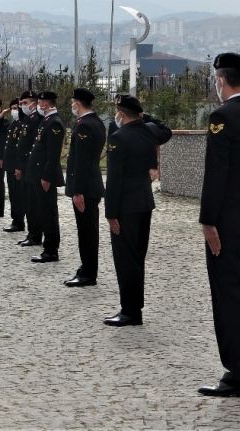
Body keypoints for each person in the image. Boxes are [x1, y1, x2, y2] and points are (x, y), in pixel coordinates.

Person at [198, 53, 240, 397]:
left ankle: (239, 376)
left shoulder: (223, 116)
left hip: (229, 224)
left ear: (221, 81)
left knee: (229, 297)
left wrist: (208, 220)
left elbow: (217, 174)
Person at [103, 94, 170, 327]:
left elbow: (114, 180)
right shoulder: (149, 132)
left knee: (125, 259)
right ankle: (135, 308)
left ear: (121, 114)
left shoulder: (118, 137)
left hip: (124, 207)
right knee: (137, 257)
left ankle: (130, 311)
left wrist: (110, 213)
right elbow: (166, 130)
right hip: (143, 203)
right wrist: (146, 117)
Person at [64, 88, 106, 287]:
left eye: (73, 102)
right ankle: (86, 268)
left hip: (86, 188)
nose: (72, 105)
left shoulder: (85, 126)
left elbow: (81, 161)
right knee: (87, 231)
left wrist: (77, 191)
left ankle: (88, 273)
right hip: (90, 185)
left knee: (87, 232)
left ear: (78, 103)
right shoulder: (96, 122)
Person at [27, 91, 65, 263]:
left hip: (44, 175)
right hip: (38, 173)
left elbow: (53, 154)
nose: (39, 105)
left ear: (46, 104)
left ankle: (51, 250)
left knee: (48, 213)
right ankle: (48, 247)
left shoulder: (54, 123)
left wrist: (46, 177)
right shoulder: (46, 121)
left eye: (41, 102)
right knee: (43, 211)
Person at [15, 90, 44, 248]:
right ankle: (32, 233)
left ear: (33, 103)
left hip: (31, 165)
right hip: (26, 165)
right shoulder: (28, 118)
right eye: (21, 104)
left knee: (33, 203)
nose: (22, 106)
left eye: (25, 103)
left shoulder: (36, 118)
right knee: (29, 202)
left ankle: (35, 235)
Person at [1, 98, 26, 232]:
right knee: (12, 194)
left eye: (18, 107)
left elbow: (20, 148)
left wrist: (18, 166)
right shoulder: (14, 123)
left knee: (18, 195)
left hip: (16, 166)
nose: (15, 110)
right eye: (13, 108)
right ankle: (15, 219)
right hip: (10, 165)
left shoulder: (23, 124)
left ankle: (19, 221)